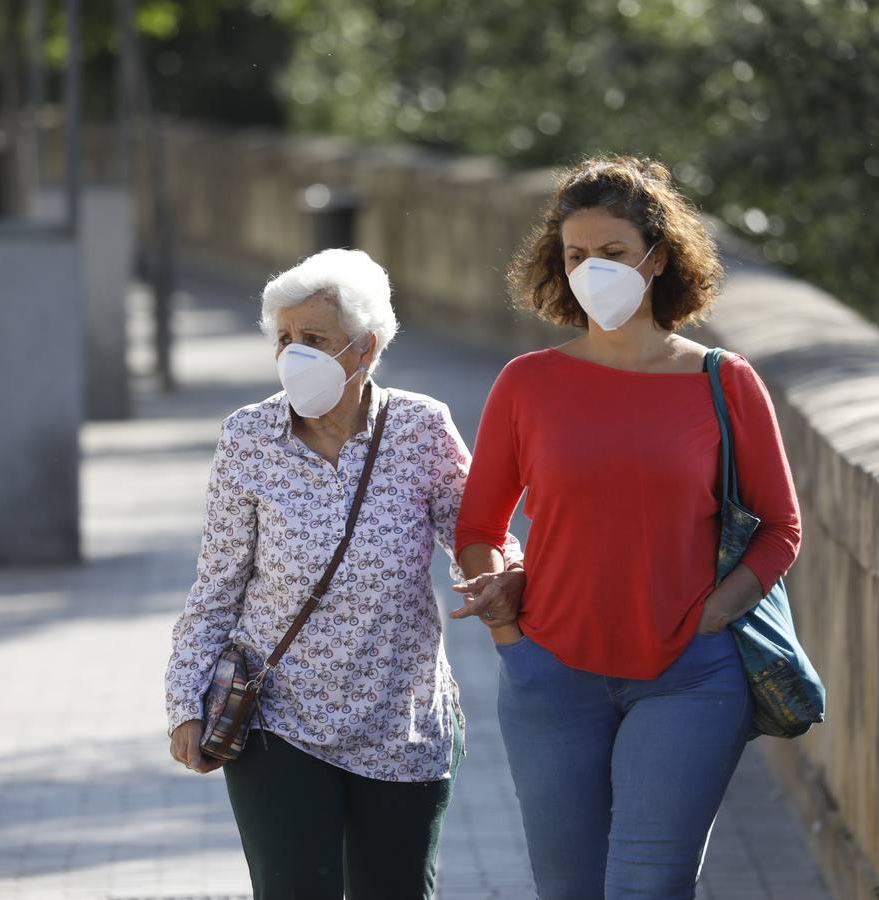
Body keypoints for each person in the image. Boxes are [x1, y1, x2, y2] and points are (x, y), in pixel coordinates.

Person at [451, 156, 802, 899]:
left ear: (658, 257)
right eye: (576, 256)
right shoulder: (528, 384)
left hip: (690, 680)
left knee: (649, 888)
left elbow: (780, 528)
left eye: (611, 253)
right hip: (549, 674)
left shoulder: (723, 381)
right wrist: (506, 620)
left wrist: (716, 615)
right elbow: (479, 523)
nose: (591, 271)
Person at [164, 248, 523, 900]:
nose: (294, 353)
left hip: (402, 720)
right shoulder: (248, 438)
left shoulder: (420, 427)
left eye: (316, 339)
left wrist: (506, 577)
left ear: (366, 349)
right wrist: (185, 705)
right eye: (285, 339)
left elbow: (477, 534)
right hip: (281, 719)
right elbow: (216, 584)